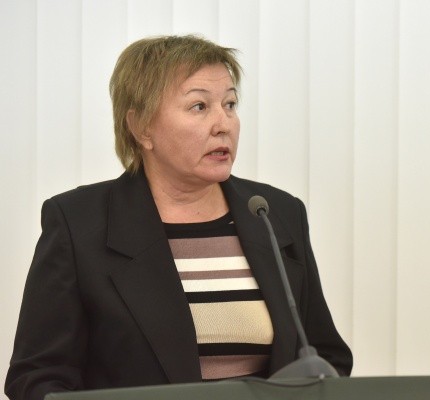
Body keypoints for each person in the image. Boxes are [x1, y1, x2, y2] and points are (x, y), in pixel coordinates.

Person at [5, 35, 352, 400]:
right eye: (199, 106)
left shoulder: (275, 213)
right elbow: (37, 377)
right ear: (141, 128)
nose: (224, 124)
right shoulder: (79, 224)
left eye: (230, 104)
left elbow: (325, 356)